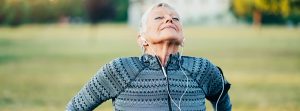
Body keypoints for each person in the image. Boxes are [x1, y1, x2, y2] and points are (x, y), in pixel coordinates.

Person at [66, 2, 232, 111]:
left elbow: (223, 102)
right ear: (141, 38)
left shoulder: (202, 68)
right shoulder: (120, 69)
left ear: (183, 38)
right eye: (159, 17)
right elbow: (75, 108)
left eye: (175, 18)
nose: (169, 19)